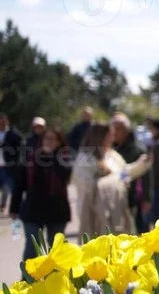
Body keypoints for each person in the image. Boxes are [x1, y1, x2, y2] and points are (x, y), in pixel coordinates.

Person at [8, 127, 72, 270]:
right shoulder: (30, 158)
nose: (49, 142)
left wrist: (53, 156)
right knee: (32, 247)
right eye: (46, 138)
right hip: (32, 210)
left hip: (57, 211)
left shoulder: (65, 159)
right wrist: (13, 208)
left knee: (56, 250)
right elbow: (19, 185)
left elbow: (65, 175)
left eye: (53, 139)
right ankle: (27, 282)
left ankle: (54, 283)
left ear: (59, 143)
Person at [74, 123, 151, 238]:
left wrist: (141, 164)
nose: (112, 138)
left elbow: (124, 172)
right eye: (109, 135)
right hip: (94, 212)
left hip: (116, 209)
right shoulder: (85, 158)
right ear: (100, 136)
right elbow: (87, 185)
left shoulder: (112, 155)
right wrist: (115, 180)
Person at [110, 113, 151, 234]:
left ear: (126, 130)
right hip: (115, 199)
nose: (114, 132)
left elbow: (146, 176)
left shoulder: (138, 149)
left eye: (118, 129)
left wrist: (147, 199)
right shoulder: (110, 148)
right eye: (112, 129)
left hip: (133, 199)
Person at [0, 113, 22, 213]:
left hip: (8, 166)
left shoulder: (13, 134)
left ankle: (3, 205)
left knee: (6, 188)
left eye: (3, 122)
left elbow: (20, 148)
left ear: (7, 121)